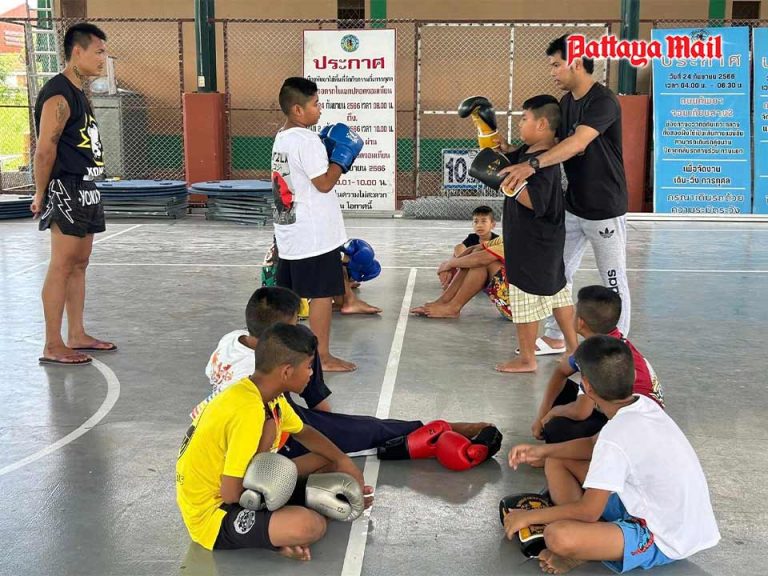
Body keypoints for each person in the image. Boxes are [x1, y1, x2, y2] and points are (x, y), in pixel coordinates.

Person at [193, 286, 492, 458]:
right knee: (368, 432)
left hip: (265, 411)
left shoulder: (233, 339)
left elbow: (213, 374)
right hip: (264, 435)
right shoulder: (256, 379)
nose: (298, 325)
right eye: (295, 321)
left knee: (305, 342)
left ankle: (324, 412)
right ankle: (441, 429)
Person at [505, 336, 720, 574]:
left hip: (666, 536)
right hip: (653, 506)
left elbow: (589, 511)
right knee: (556, 461)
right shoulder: (642, 404)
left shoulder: (616, 435)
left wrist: (530, 517)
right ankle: (594, 541)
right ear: (632, 376)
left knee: (558, 536)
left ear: (587, 387)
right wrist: (543, 451)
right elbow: (591, 445)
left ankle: (586, 549)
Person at [176, 323, 370, 560]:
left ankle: (288, 515)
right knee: (310, 526)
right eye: (309, 366)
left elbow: (305, 432)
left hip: (252, 484)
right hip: (214, 514)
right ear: (286, 372)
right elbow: (230, 494)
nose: (311, 374)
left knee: (329, 459)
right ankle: (288, 525)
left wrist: (343, 461)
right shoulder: (248, 411)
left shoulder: (268, 396)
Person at [498, 34, 631, 354]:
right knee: (558, 272)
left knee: (612, 278)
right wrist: (513, 152)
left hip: (605, 208)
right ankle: (557, 336)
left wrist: (532, 165)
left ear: (576, 63)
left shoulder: (603, 101)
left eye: (557, 65)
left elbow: (577, 143)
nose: (553, 72)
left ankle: (619, 344)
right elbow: (552, 144)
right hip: (573, 206)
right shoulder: (567, 103)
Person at [271, 77, 379, 373]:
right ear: (298, 109)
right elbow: (324, 183)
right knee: (321, 296)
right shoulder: (307, 141)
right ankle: (323, 357)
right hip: (314, 234)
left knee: (289, 299)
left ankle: (282, 355)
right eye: (315, 104)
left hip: (290, 229)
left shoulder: (283, 137)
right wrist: (341, 158)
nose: (320, 109)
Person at [30, 23, 114, 366]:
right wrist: (40, 192)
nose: (103, 59)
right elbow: (45, 149)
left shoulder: (79, 92)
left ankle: (77, 333)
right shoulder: (59, 94)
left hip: (86, 186)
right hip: (65, 186)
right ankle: (53, 343)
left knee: (80, 264)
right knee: (62, 265)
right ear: (77, 52)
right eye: (98, 52)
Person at [491, 95, 578, 374]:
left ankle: (527, 358)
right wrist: (493, 136)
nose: (520, 124)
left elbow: (535, 201)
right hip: (545, 240)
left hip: (532, 243)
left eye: (524, 119)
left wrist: (507, 185)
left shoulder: (543, 163)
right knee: (558, 292)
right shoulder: (530, 154)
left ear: (541, 124)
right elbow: (508, 156)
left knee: (525, 296)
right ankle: (574, 349)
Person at [533, 285, 664, 445]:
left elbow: (581, 412)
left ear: (580, 322)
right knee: (564, 390)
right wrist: (542, 415)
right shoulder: (610, 341)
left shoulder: (597, 355)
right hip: (643, 413)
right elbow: (561, 371)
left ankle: (587, 451)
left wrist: (553, 412)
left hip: (636, 426)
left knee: (556, 428)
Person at [410, 237, 511, 320]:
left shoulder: (517, 238)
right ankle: (443, 301)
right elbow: (474, 249)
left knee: (480, 263)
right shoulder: (508, 236)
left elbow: (480, 260)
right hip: (509, 304)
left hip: (517, 311)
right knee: (473, 258)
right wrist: (451, 264)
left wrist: (449, 264)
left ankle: (453, 308)